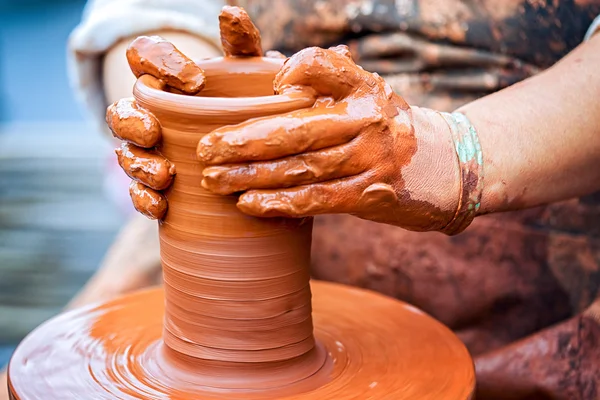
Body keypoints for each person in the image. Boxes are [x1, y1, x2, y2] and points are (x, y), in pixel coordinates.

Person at [2, 1, 600, 399]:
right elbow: (149, 15)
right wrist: (174, 105)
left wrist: (453, 155)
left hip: (541, 264)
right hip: (210, 253)